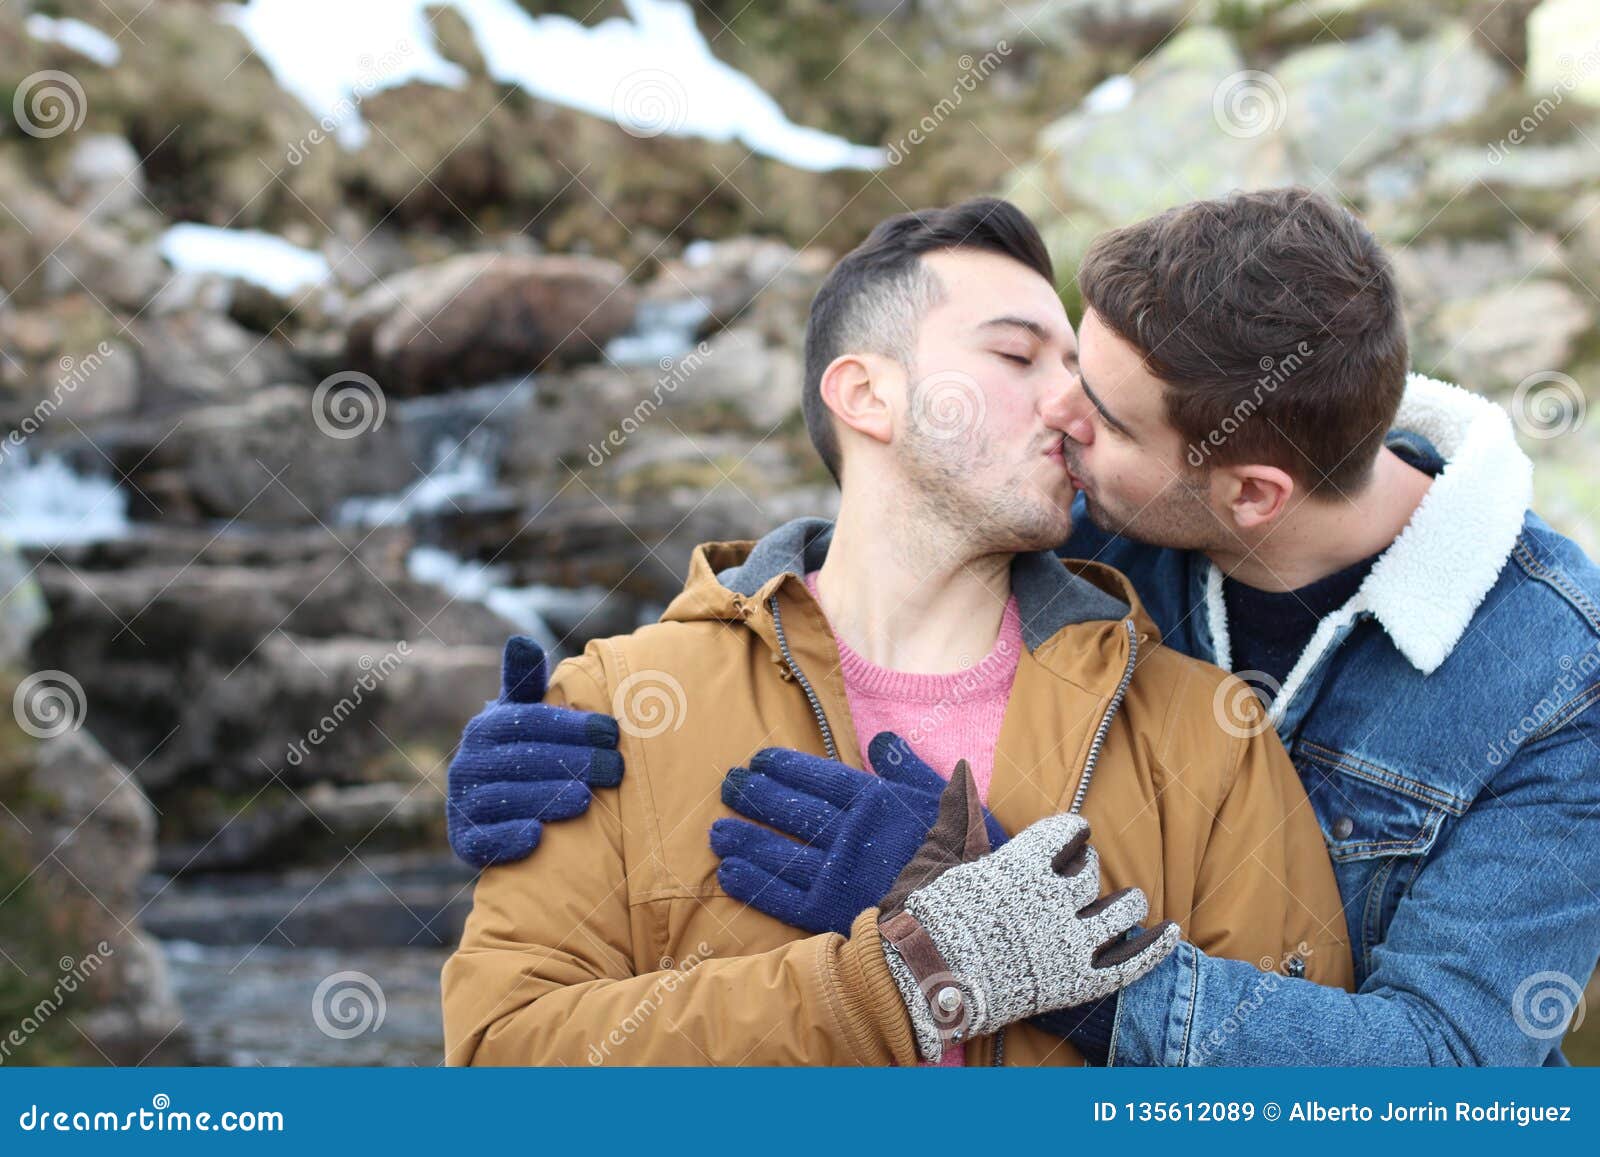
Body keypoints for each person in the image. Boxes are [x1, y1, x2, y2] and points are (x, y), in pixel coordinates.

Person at [440, 197, 1352, 1066]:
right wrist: (892, 983)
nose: (1074, 408)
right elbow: (504, 1068)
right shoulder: (612, 708)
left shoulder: (1205, 730)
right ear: (867, 395)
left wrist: (1076, 964)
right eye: (1017, 356)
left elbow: (1308, 1105)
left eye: (1076, 369)